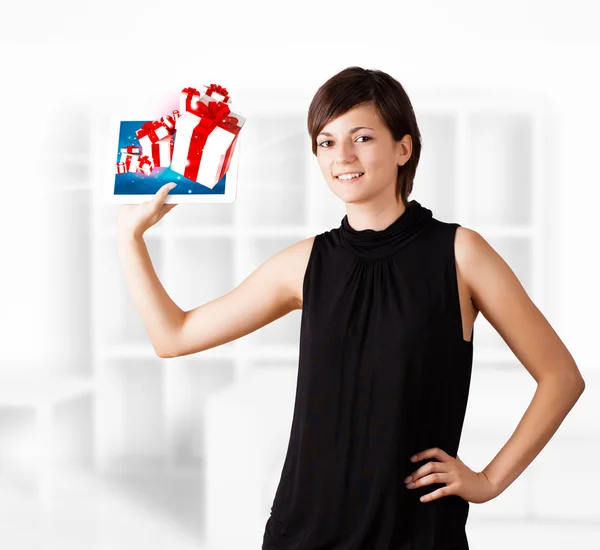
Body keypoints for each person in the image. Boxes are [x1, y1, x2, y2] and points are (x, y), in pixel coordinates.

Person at [117, 66, 586, 549]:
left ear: (403, 148)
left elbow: (561, 378)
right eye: (326, 142)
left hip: (416, 533)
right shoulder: (303, 263)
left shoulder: (461, 254)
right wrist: (130, 238)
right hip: (303, 530)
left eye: (361, 137)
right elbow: (172, 337)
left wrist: (488, 482)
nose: (342, 156)